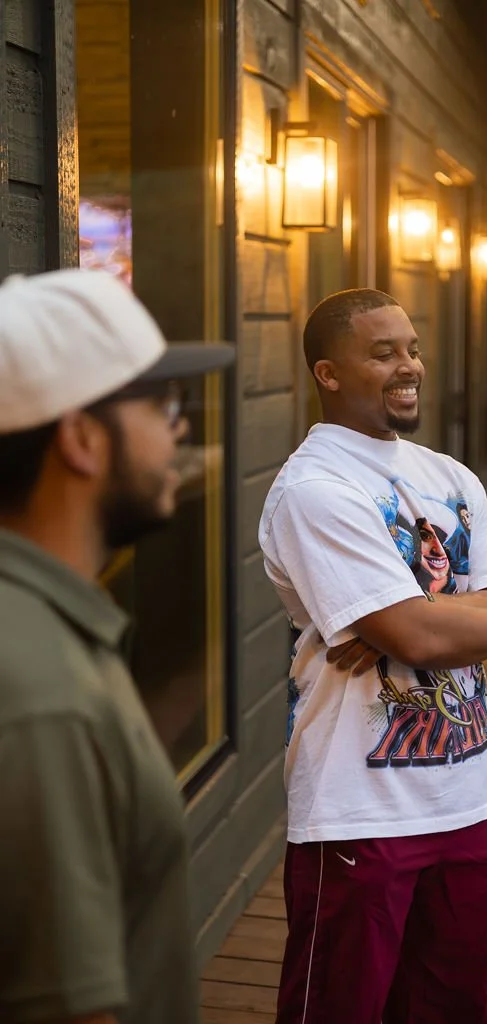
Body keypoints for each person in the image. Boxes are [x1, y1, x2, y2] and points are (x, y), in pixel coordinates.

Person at [258, 288, 487, 1024]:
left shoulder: (451, 477)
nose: (409, 366)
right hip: (357, 809)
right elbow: (424, 639)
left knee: (452, 1007)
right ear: (328, 373)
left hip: (467, 797)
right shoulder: (315, 488)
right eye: (382, 354)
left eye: (412, 349)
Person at [0, 269, 233, 1024]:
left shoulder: (45, 625)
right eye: (162, 405)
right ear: (81, 438)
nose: (181, 429)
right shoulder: (44, 697)